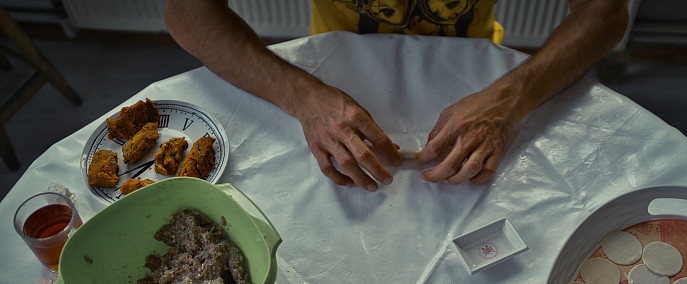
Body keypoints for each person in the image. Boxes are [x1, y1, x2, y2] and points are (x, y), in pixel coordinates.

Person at [164, 0, 628, 192]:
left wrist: (509, 101)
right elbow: (187, 12)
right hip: (334, 76)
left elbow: (605, 11)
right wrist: (303, 98)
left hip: (482, 78)